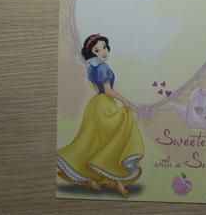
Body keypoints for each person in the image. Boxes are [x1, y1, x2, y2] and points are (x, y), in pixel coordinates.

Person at [57, 34, 144, 198]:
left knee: (94, 142)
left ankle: (92, 179)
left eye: (104, 47)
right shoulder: (102, 67)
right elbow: (108, 90)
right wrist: (125, 101)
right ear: (92, 52)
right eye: (97, 50)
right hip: (105, 105)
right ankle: (116, 181)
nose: (103, 52)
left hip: (95, 105)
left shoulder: (91, 66)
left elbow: (96, 89)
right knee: (114, 140)